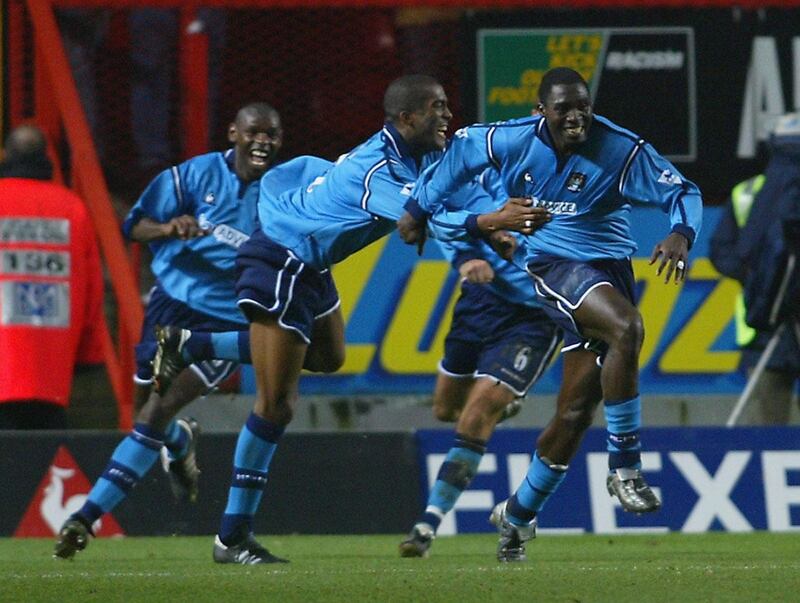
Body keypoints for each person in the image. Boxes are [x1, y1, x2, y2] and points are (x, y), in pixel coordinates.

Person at [209, 74, 545, 564]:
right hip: (281, 259)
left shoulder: (426, 156)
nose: (447, 115)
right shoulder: (376, 169)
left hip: (313, 263)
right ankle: (232, 536)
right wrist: (493, 223)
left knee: (327, 356)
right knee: (275, 404)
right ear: (406, 118)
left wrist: (493, 225)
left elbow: (453, 199)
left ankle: (194, 346)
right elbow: (420, 213)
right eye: (436, 107)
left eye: (448, 105)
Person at [400, 67, 703, 561]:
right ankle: (625, 468)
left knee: (574, 415)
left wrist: (680, 234)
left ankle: (516, 520)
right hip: (554, 265)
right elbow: (457, 156)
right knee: (629, 327)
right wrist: (415, 209)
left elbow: (682, 190)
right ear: (541, 110)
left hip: (610, 272)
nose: (576, 116)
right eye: (563, 108)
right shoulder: (511, 140)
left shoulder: (620, 149)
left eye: (583, 106)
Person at [53, 102, 283, 560]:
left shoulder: (280, 191)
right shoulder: (194, 176)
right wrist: (168, 228)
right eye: (255, 132)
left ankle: (86, 517)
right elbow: (133, 226)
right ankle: (180, 440)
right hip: (170, 307)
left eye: (273, 135)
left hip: (227, 318)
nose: (264, 142)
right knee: (147, 414)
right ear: (234, 134)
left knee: (158, 408)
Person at [398, 167, 562, 558]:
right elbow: (442, 219)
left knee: (477, 411)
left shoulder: (565, 180)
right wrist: (468, 255)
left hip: (534, 317)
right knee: (446, 409)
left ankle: (427, 525)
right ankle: (500, 403)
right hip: (480, 301)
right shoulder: (462, 173)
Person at [0, 125, 105, 429]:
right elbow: (91, 287)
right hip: (52, 372)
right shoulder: (73, 208)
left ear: (6, 156)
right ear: (46, 158)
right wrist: (89, 353)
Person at [713, 116, 800, 424]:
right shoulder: (746, 194)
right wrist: (759, 277)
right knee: (768, 424)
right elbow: (721, 250)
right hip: (765, 329)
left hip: (763, 317)